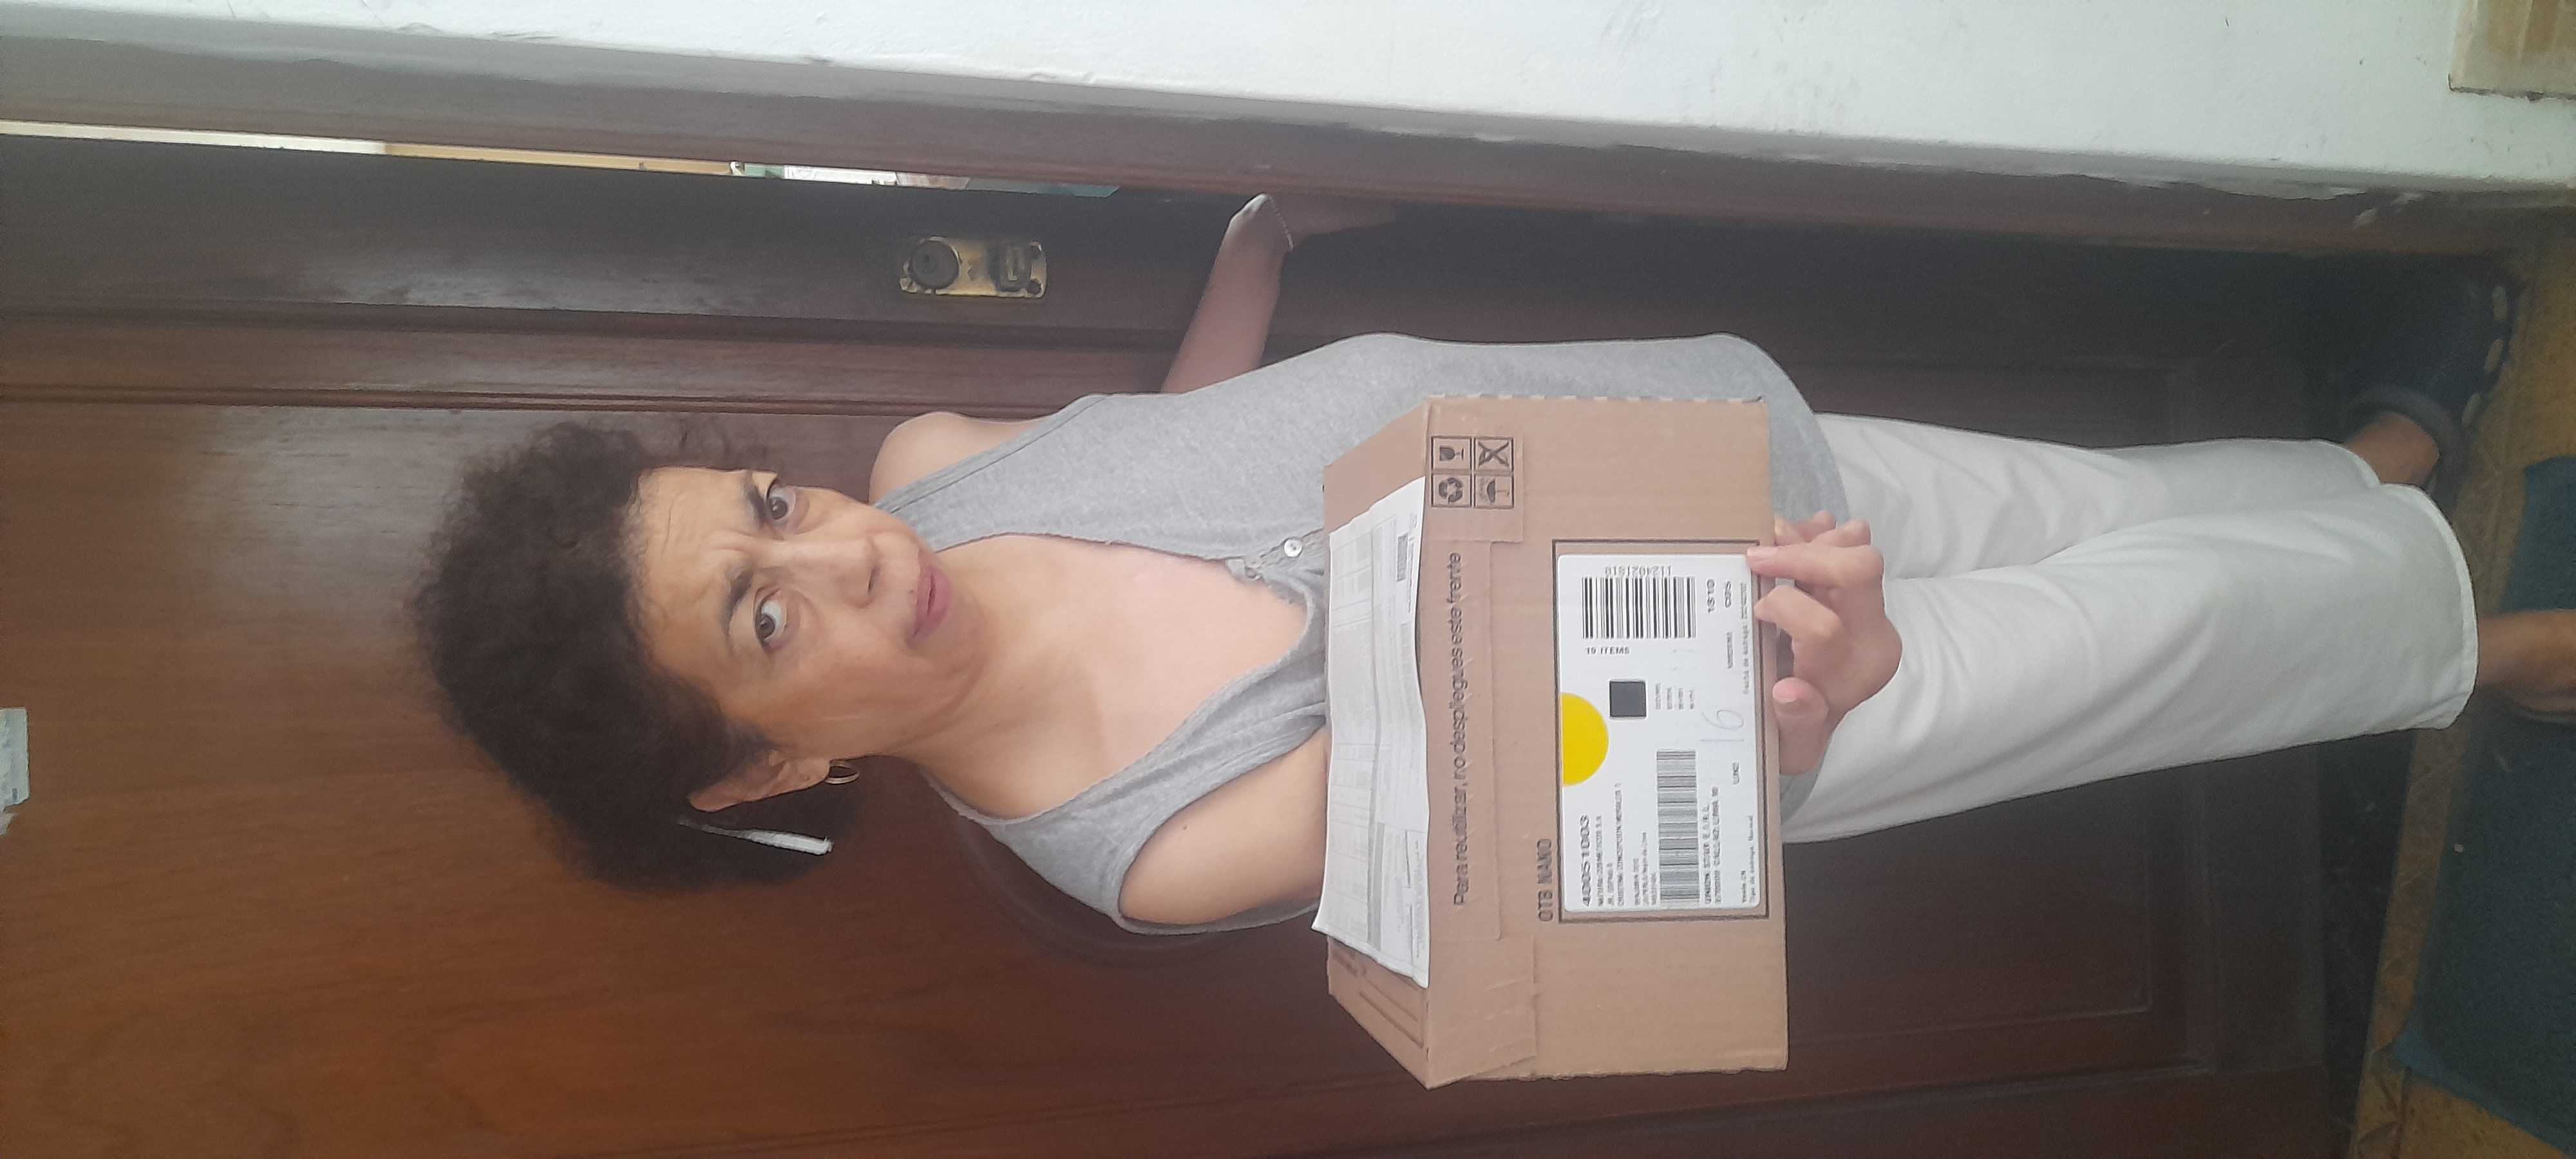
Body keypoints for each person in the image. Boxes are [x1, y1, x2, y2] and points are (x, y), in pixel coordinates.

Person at [417, 194, 2561, 934]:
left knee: (2077, 502)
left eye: (770, 509)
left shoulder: (934, 465)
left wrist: (1256, 258)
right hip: (1772, 681)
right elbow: (1555, 786)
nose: (855, 554)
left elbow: (1163, 433)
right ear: (760, 769)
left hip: (1719, 444)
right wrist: (1813, 697)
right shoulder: (1137, 842)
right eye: (765, 617)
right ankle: (2516, 642)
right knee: (2165, 639)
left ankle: (2365, 463)